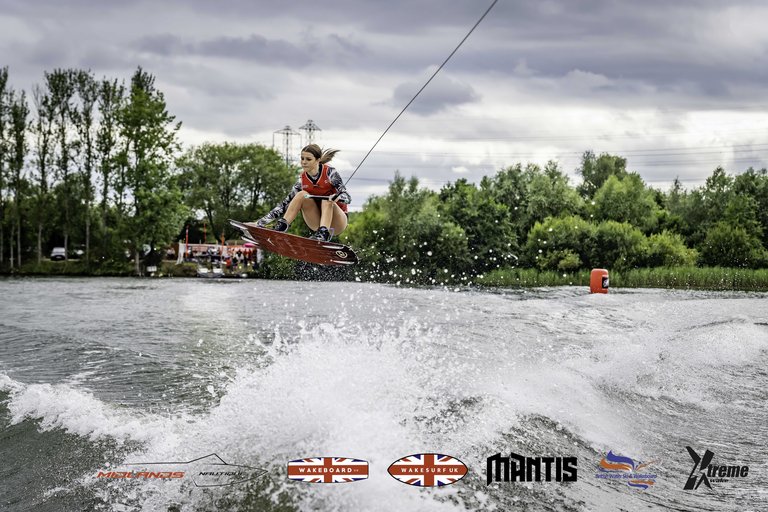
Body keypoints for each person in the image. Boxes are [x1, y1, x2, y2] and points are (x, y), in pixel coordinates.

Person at [256, 144, 351, 241]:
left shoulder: (330, 173)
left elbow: (347, 197)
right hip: (316, 220)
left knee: (326, 199)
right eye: (302, 159)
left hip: (337, 222)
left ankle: (323, 234)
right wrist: (260, 223)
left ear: (317, 160)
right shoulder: (302, 180)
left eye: (308, 159)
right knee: (301, 194)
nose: (304, 162)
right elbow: (284, 204)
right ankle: (281, 228)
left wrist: (338, 197)